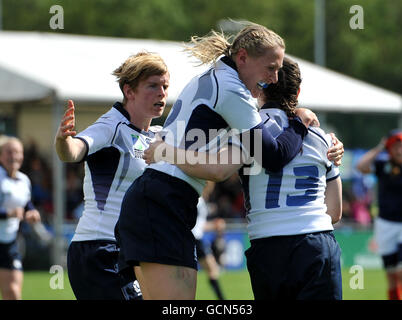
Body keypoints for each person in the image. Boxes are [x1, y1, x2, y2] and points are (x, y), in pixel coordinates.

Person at [116, 22, 319, 300]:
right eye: (270, 67)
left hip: (164, 200)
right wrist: (300, 122)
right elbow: (272, 156)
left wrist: (166, 152)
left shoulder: (219, 79)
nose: (274, 78)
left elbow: (221, 167)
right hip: (161, 201)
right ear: (243, 57)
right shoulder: (231, 90)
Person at [145, 56, 344, 300]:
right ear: (298, 91)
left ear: (261, 87)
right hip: (316, 242)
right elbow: (334, 212)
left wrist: (164, 152)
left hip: (268, 246)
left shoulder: (247, 130)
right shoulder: (323, 139)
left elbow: (216, 169)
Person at [54, 51, 169, 300]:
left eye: (165, 86)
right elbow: (74, 151)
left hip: (131, 251)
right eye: (153, 86)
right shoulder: (111, 126)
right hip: (98, 250)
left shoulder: (158, 135)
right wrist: (64, 141)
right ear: (129, 91)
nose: (162, 93)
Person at [356, 130, 402, 300]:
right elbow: (361, 166)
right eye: (395, 146)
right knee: (391, 276)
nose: (400, 150)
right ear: (390, 149)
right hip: (386, 224)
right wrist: (380, 147)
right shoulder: (383, 164)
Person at [0, 136, 41, 300]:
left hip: (10, 243)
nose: (13, 156)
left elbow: (26, 203)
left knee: (14, 293)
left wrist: (32, 212)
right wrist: (8, 214)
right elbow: (12, 211)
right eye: (9, 152)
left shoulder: (24, 180)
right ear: (1, 156)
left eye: (17, 152)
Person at [192, 181, 226, 300]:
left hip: (195, 239)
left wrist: (214, 224)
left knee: (211, 270)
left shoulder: (200, 201)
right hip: (195, 239)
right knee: (213, 270)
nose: (211, 188)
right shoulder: (198, 201)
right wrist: (214, 225)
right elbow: (195, 225)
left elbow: (199, 224)